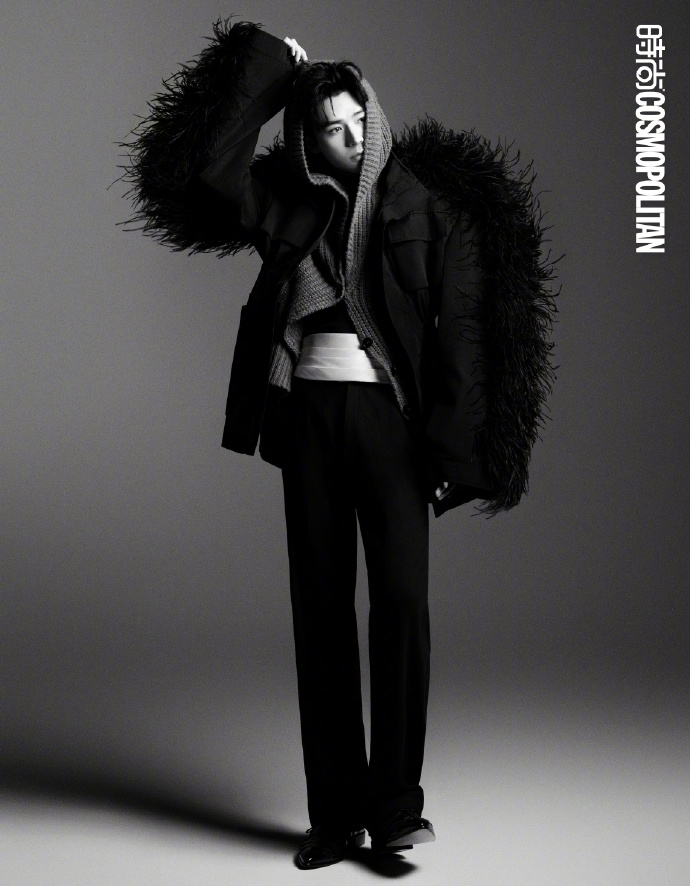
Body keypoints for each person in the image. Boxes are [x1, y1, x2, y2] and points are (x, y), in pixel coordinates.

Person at [119, 17, 557, 870]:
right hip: (310, 421)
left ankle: (395, 812)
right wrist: (268, 69)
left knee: (402, 609)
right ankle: (334, 818)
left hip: (394, 428)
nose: (351, 139)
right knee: (320, 613)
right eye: (330, 128)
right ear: (305, 136)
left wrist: (451, 456)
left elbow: (461, 338)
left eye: (360, 121)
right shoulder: (281, 197)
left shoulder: (423, 204)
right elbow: (209, 170)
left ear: (376, 116)